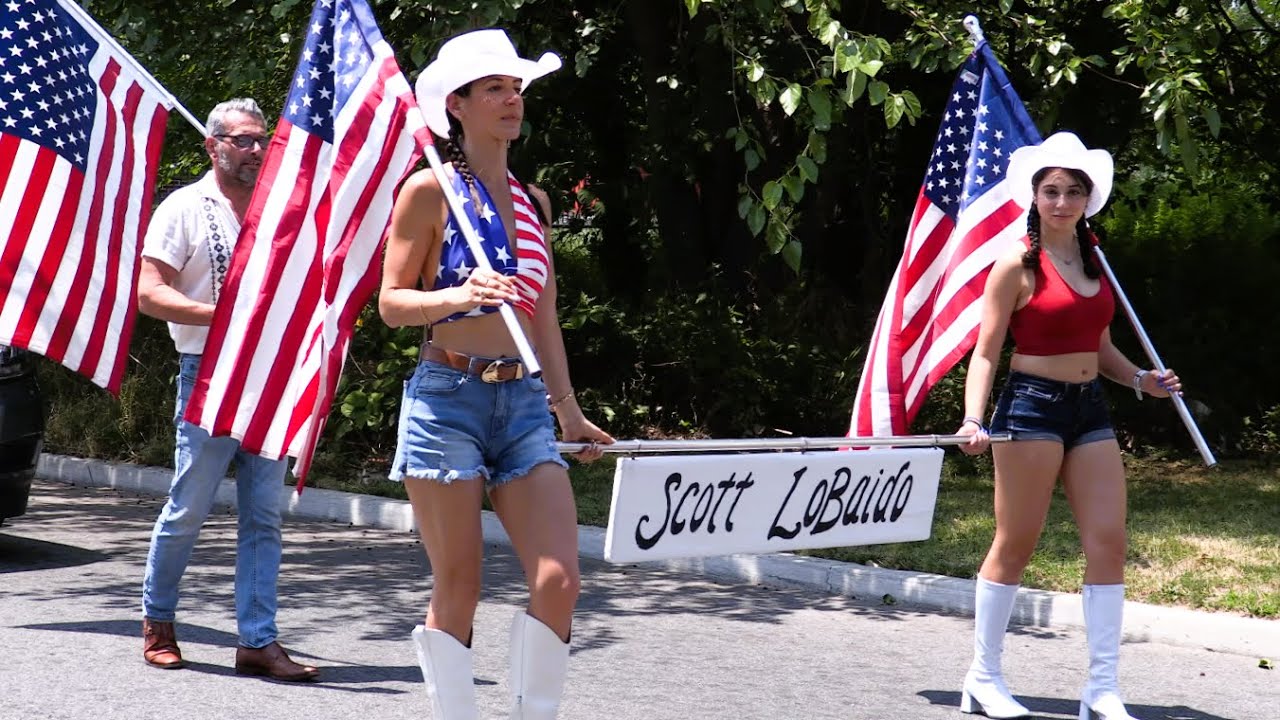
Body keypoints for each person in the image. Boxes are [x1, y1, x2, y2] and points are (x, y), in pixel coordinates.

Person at [379, 29, 613, 719]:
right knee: (459, 584)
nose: (512, 99)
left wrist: (566, 410)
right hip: (445, 397)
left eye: (516, 88)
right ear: (457, 105)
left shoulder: (535, 201)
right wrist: (458, 294)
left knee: (559, 578)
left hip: (522, 405)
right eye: (494, 89)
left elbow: (543, 317)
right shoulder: (429, 191)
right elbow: (392, 304)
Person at [955, 132, 1181, 720]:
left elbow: (1100, 346)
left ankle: (1101, 689)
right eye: (1051, 190)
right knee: (1016, 543)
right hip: (1031, 406)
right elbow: (985, 353)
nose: (1061, 201)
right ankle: (983, 678)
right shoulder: (1017, 265)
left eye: (1073, 191)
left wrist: (1141, 381)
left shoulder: (1096, 263)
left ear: (1087, 200)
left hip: (1090, 411)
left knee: (1108, 543)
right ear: (1034, 198)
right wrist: (973, 419)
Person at [136, 99, 319, 682]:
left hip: (270, 376)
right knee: (189, 507)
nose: (257, 151)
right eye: (243, 140)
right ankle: (158, 621)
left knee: (263, 515)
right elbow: (149, 293)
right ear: (212, 145)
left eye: (262, 140)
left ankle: (257, 642)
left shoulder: (279, 209)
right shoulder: (185, 207)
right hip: (207, 374)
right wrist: (225, 316)